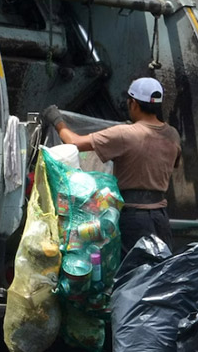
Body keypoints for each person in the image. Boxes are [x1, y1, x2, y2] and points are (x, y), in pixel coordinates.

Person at [43, 77, 181, 252]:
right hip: (160, 218)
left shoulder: (125, 134)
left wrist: (57, 120)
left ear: (134, 104)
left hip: (132, 218)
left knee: (132, 273)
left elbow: (74, 142)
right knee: (158, 272)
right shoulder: (172, 134)